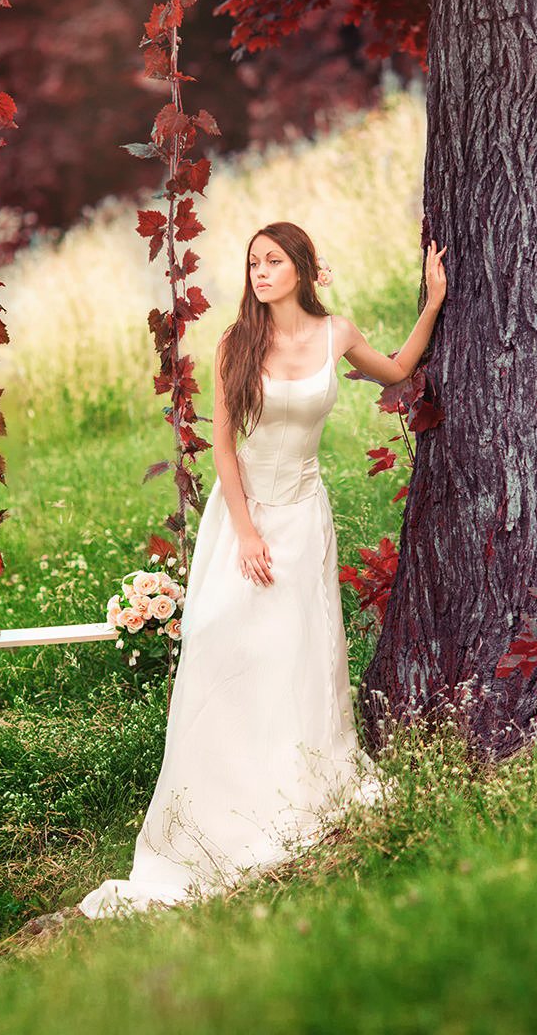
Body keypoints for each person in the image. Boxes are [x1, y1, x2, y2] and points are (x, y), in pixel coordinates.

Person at [77, 221, 449, 919]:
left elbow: (398, 371)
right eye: (253, 262)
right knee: (225, 645)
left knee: (296, 654)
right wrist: (246, 534)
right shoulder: (235, 343)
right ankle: (216, 810)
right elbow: (221, 446)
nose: (260, 272)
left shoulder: (336, 332)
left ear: (304, 268)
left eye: (273, 261)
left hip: (304, 515)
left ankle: (295, 789)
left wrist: (432, 303)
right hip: (243, 518)